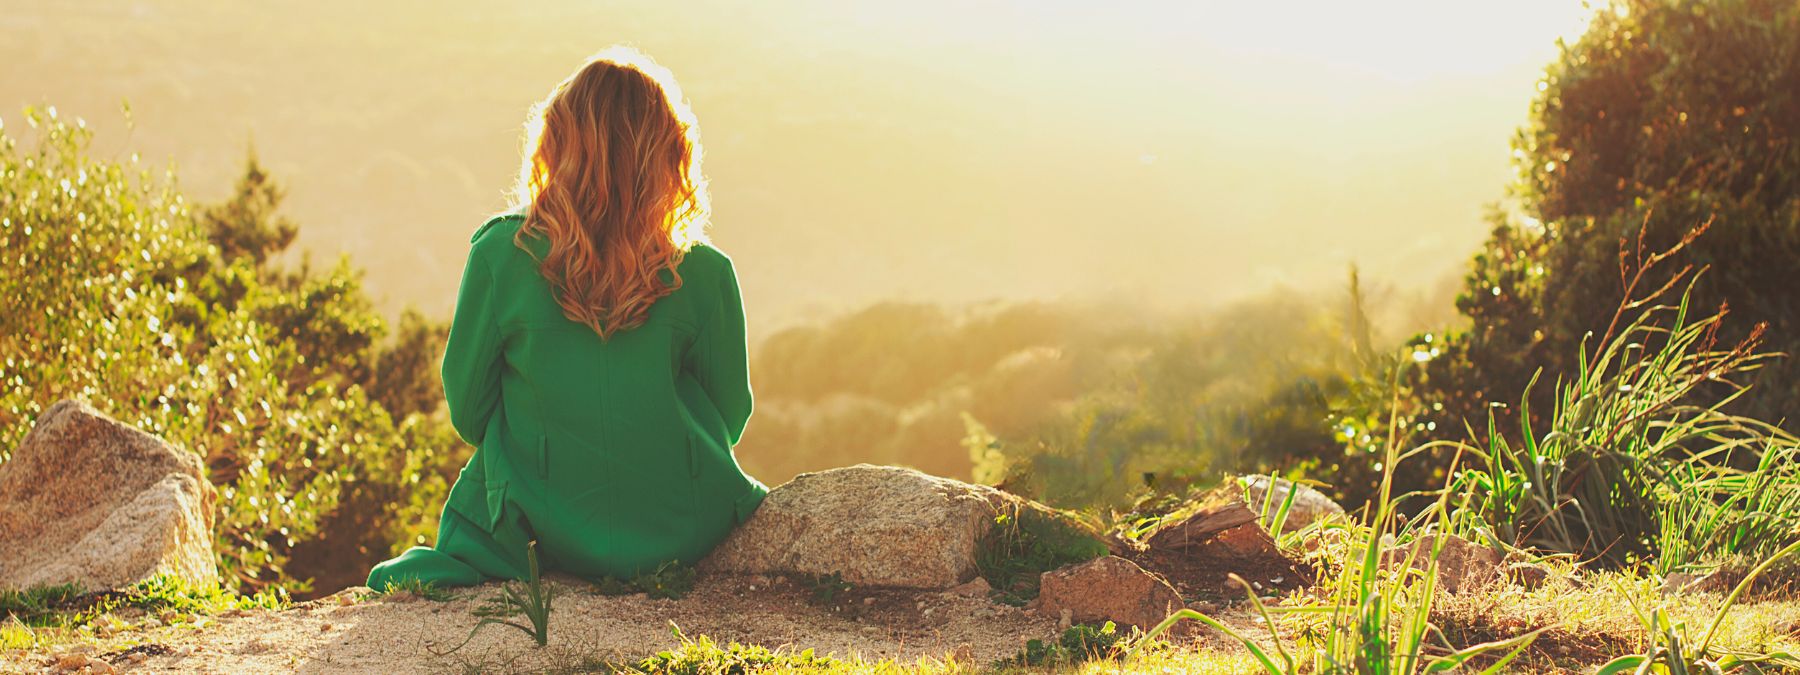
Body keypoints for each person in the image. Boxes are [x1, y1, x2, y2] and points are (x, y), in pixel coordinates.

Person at [367, 47, 766, 589]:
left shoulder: (499, 255)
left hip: (536, 529)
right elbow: (730, 415)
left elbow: (468, 411)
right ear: (670, 153)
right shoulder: (707, 273)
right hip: (679, 528)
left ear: (555, 144)